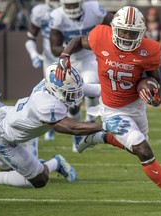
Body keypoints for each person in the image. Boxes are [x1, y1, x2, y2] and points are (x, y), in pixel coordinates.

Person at [55, 6, 161, 211]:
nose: (127, 37)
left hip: (135, 105)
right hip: (110, 108)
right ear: (113, 29)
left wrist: (157, 99)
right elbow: (77, 41)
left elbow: (157, 80)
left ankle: (97, 136)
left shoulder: (149, 50)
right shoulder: (100, 37)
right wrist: (65, 55)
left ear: (141, 32)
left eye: (132, 33)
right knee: (142, 149)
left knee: (137, 146)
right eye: (123, 31)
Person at [0, 64, 130, 203]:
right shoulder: (46, 103)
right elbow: (70, 127)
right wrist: (103, 125)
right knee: (39, 179)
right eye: (69, 93)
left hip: (7, 119)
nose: (74, 97)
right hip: (4, 138)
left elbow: (93, 89)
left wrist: (128, 91)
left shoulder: (54, 85)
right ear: (55, 90)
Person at [49, 0, 114, 152]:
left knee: (91, 85)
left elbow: (114, 24)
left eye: (74, 4)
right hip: (70, 58)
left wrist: (104, 41)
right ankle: (77, 135)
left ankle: (90, 120)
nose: (71, 8)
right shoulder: (57, 16)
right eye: (68, 5)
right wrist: (79, 44)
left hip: (91, 56)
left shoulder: (94, 8)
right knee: (73, 102)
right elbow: (54, 49)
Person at [25, 0, 61, 142]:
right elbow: (30, 37)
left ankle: (87, 121)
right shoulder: (40, 12)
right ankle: (51, 127)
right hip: (49, 58)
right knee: (51, 96)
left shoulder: (72, 10)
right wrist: (34, 54)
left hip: (73, 57)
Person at [145, 6, 161, 97]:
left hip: (157, 53)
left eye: (153, 15)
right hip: (145, 54)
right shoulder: (144, 26)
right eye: (150, 14)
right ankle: (147, 92)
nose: (152, 16)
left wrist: (154, 49)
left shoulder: (160, 27)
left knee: (160, 73)